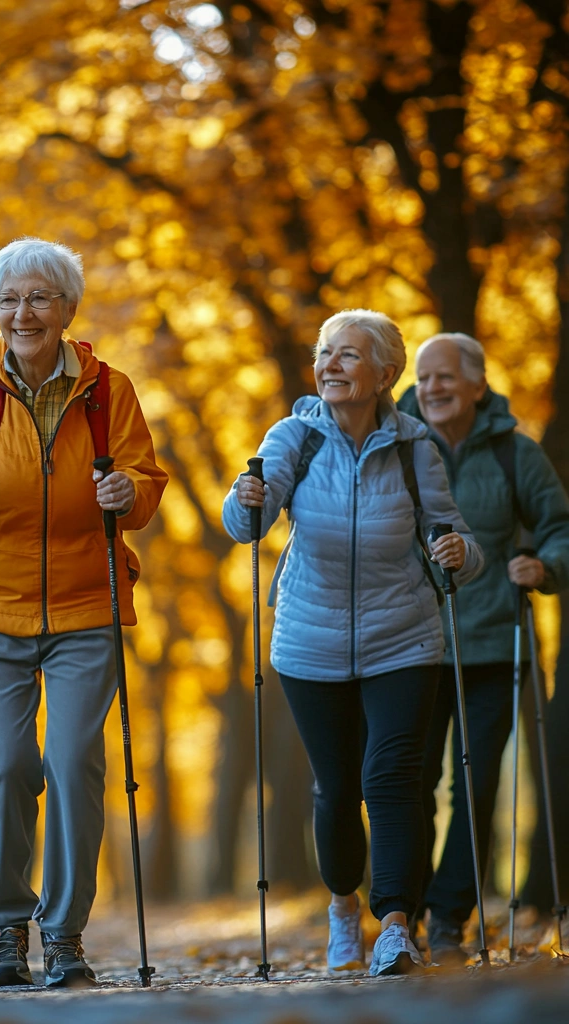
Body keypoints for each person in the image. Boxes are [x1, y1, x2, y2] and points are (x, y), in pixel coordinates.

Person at [0, 237, 167, 989]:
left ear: (67, 309)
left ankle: (66, 934)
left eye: (40, 297)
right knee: (9, 763)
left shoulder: (108, 389)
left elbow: (144, 476)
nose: (24, 313)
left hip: (88, 600)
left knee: (75, 757)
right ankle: (7, 928)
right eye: (11, 299)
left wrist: (128, 494)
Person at [223, 309, 483, 976]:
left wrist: (461, 553)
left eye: (348, 354)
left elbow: (449, 532)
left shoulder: (414, 445)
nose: (331, 364)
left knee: (391, 779)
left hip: (403, 636)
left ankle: (395, 923)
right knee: (337, 789)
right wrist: (244, 498)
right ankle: (344, 907)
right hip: (310, 640)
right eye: (325, 353)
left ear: (385, 375)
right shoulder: (294, 436)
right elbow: (247, 522)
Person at [397, 332, 569, 962]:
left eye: (446, 376)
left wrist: (544, 566)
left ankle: (449, 918)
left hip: (494, 645)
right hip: (407, 645)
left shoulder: (514, 455)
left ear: (477, 383)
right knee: (409, 782)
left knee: (474, 784)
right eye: (424, 376)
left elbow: (559, 529)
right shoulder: (392, 444)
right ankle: (400, 915)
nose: (433, 388)